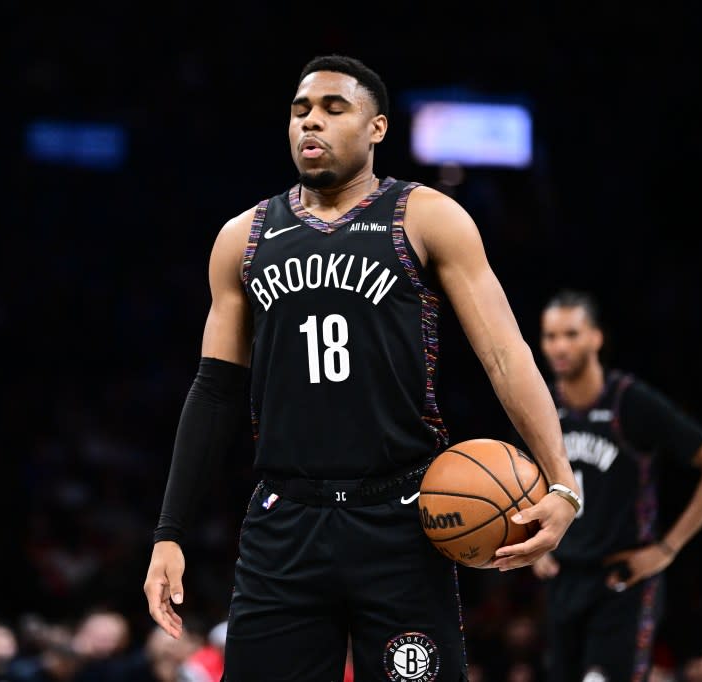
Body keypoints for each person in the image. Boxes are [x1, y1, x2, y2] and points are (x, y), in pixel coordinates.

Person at [143, 54, 581, 681]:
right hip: (283, 523)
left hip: (403, 517)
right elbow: (214, 391)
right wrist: (170, 531)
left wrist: (562, 482)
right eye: (299, 111)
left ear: (376, 127)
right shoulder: (244, 236)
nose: (310, 123)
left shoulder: (426, 216)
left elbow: (505, 355)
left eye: (332, 108)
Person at [529, 289, 702, 682]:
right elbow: (518, 479)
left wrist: (667, 548)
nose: (559, 346)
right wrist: (532, 540)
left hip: (622, 578)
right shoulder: (538, 404)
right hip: (563, 580)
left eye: (571, 334)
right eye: (550, 336)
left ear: (596, 337)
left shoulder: (630, 401)